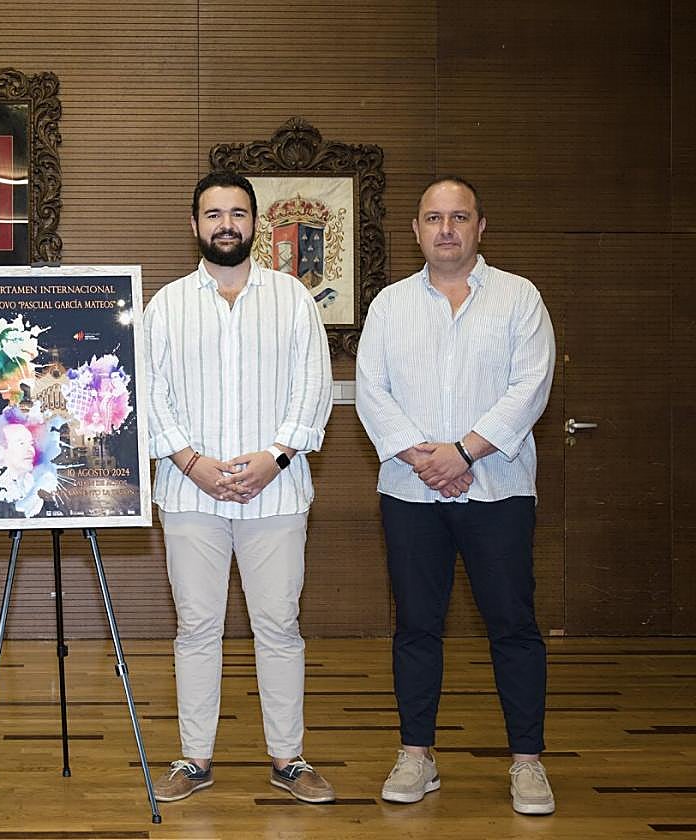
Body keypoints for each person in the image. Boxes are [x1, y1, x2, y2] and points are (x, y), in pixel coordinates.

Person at [355, 176, 557, 815]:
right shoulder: (390, 305)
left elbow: (530, 388)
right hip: (410, 493)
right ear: (416, 230)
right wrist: (427, 459)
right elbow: (372, 391)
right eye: (434, 218)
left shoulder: (520, 299)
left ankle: (527, 762)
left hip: (499, 490)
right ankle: (417, 755)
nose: (446, 229)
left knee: (513, 626)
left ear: (480, 226)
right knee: (417, 626)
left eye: (459, 217)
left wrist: (462, 453)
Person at [142, 170, 335, 804]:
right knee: (197, 627)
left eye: (238, 213)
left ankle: (289, 759)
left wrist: (276, 457)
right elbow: (150, 393)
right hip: (189, 494)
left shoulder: (293, 299)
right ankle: (194, 758)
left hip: (275, 494)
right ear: (194, 225)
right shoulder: (167, 305)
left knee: (279, 626)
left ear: (255, 223)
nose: (226, 224)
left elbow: (313, 388)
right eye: (214, 214)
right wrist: (190, 460)